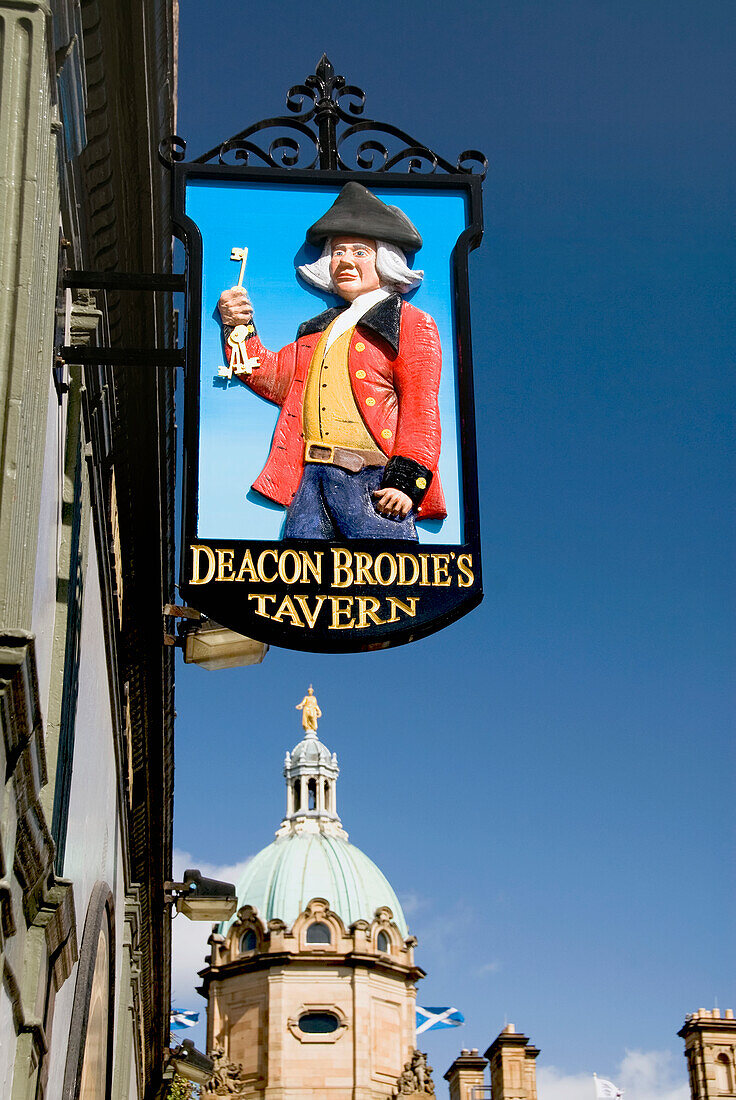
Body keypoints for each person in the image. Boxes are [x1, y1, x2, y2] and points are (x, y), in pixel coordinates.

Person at [217, 182, 446, 540]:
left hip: (375, 484)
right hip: (311, 481)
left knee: (386, 584)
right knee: (300, 583)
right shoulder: (316, 331)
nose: (346, 261)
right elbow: (272, 375)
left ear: (384, 259)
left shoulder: (412, 324)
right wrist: (239, 325)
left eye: (359, 252)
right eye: (339, 251)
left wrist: (405, 484)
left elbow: (421, 412)